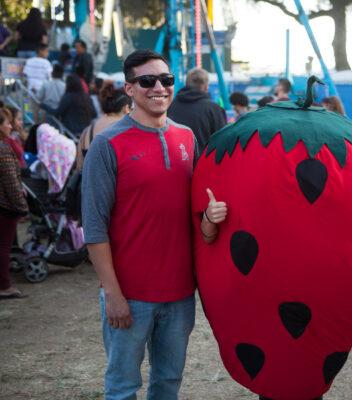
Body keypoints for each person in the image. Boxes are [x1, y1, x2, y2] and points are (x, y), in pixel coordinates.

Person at [82, 49, 197, 399]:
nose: (158, 87)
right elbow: (95, 228)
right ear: (129, 89)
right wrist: (112, 294)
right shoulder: (107, 143)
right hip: (129, 296)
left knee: (167, 384)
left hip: (179, 295)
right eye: (147, 81)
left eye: (166, 79)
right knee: (122, 387)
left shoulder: (188, 138)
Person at [0, 108, 28, 300]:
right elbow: (10, 181)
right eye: (7, 123)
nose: (10, 126)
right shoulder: (3, 149)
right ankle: (4, 285)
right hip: (5, 205)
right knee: (3, 247)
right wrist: (22, 206)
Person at [167, 67, 226, 153]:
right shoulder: (214, 109)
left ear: (186, 84)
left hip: (175, 162)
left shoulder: (170, 106)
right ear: (206, 86)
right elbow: (223, 142)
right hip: (204, 164)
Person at [76, 84, 131, 171]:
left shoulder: (87, 130)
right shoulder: (125, 130)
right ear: (126, 108)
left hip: (89, 182)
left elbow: (79, 166)